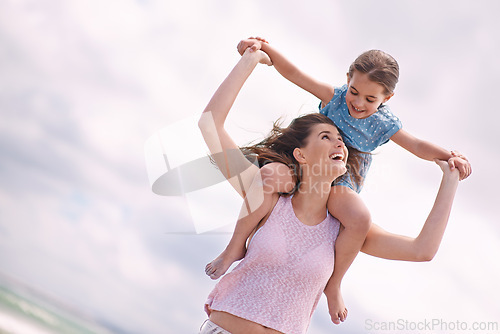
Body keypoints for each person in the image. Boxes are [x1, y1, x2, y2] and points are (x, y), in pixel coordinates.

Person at [205, 37, 472, 323]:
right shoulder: (271, 194)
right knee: (268, 174)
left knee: (360, 215)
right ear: (300, 154)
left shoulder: (343, 227)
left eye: (370, 99)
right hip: (224, 326)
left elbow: (422, 250)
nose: (340, 141)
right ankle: (235, 246)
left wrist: (449, 170)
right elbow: (212, 122)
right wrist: (256, 56)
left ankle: (334, 285)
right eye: (325, 136)